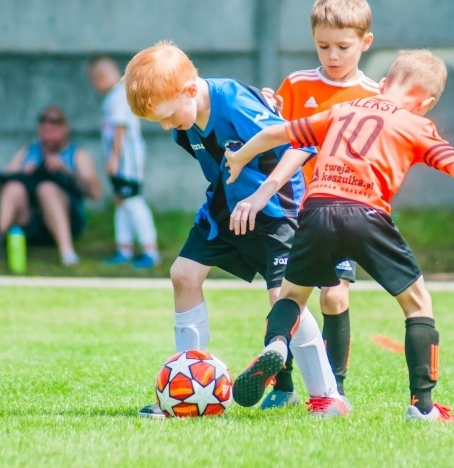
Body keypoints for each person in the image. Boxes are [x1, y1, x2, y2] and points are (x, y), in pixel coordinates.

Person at [227, 50, 454, 422]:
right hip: (366, 213)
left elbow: (279, 133)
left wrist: (240, 157)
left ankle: (277, 344)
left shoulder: (343, 110)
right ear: (427, 103)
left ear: (383, 84)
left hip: (316, 209)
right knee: (417, 303)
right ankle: (423, 407)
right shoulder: (417, 124)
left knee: (292, 296)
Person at [123, 41, 345, 418]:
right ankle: (187, 392)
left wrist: (262, 193)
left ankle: (328, 397)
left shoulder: (233, 101)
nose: (167, 127)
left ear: (189, 90)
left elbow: (302, 144)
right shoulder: (184, 119)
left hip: (276, 210)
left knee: (284, 300)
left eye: (168, 116)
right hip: (226, 208)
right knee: (183, 274)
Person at [258, 0, 379, 410]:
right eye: (323, 46)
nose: (332, 55)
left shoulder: (374, 96)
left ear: (365, 42)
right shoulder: (296, 85)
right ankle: (282, 384)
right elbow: (276, 134)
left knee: (334, 296)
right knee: (285, 296)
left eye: (342, 47)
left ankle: (334, 389)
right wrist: (267, 108)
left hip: (344, 211)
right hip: (295, 211)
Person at [0, 106, 102, 270]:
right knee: (13, 188)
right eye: (44, 130)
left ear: (65, 129)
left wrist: (65, 171)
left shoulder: (78, 155)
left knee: (47, 189)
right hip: (29, 221)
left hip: (68, 221)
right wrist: (22, 174)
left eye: (53, 130)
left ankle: (68, 254)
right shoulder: (27, 153)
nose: (48, 135)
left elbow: (96, 194)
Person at [88, 55, 161, 269]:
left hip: (126, 161)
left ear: (101, 77)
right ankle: (124, 249)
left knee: (132, 200)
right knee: (121, 201)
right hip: (122, 161)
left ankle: (151, 251)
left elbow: (120, 127)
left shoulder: (120, 95)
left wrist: (114, 157)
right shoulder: (115, 95)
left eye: (94, 80)